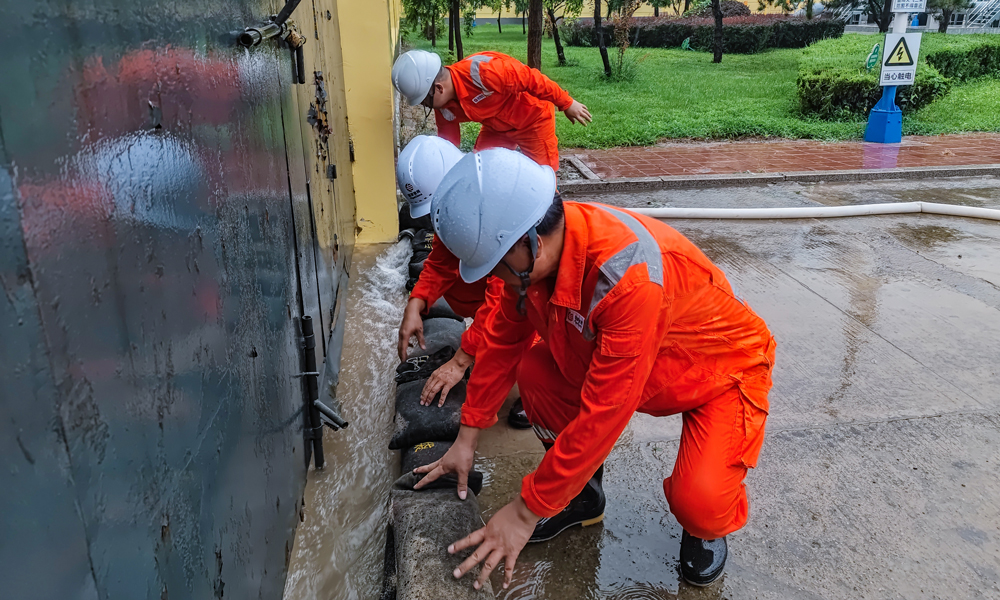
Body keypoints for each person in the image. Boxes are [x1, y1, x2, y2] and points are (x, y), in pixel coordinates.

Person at [413, 149, 775, 590]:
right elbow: (503, 341)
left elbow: (605, 413)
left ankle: (707, 526)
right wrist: (466, 437)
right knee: (535, 371)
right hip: (643, 365)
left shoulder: (626, 278)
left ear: (532, 243)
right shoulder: (535, 259)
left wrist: (526, 510)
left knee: (697, 501)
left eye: (496, 268)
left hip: (717, 372)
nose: (496, 281)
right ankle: (583, 496)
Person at [393, 48, 591, 425]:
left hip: (532, 126)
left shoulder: (489, 74)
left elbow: (505, 300)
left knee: (528, 306)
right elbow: (445, 257)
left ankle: (549, 378)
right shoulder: (468, 189)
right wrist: (419, 299)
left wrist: (463, 359)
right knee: (472, 290)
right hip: (500, 130)